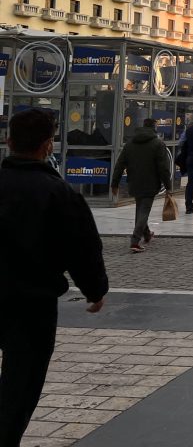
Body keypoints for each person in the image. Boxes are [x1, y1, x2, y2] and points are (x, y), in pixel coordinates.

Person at [0, 108, 108, 444]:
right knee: (21, 384)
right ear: (48, 145)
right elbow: (83, 247)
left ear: (8, 141)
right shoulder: (59, 193)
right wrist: (95, 290)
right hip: (32, 304)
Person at [111, 117, 173, 253]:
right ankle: (135, 240)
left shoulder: (129, 143)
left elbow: (119, 165)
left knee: (140, 208)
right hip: (150, 183)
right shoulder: (158, 144)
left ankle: (146, 234)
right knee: (143, 211)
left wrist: (114, 183)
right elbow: (163, 168)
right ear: (154, 128)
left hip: (134, 182)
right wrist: (168, 186)